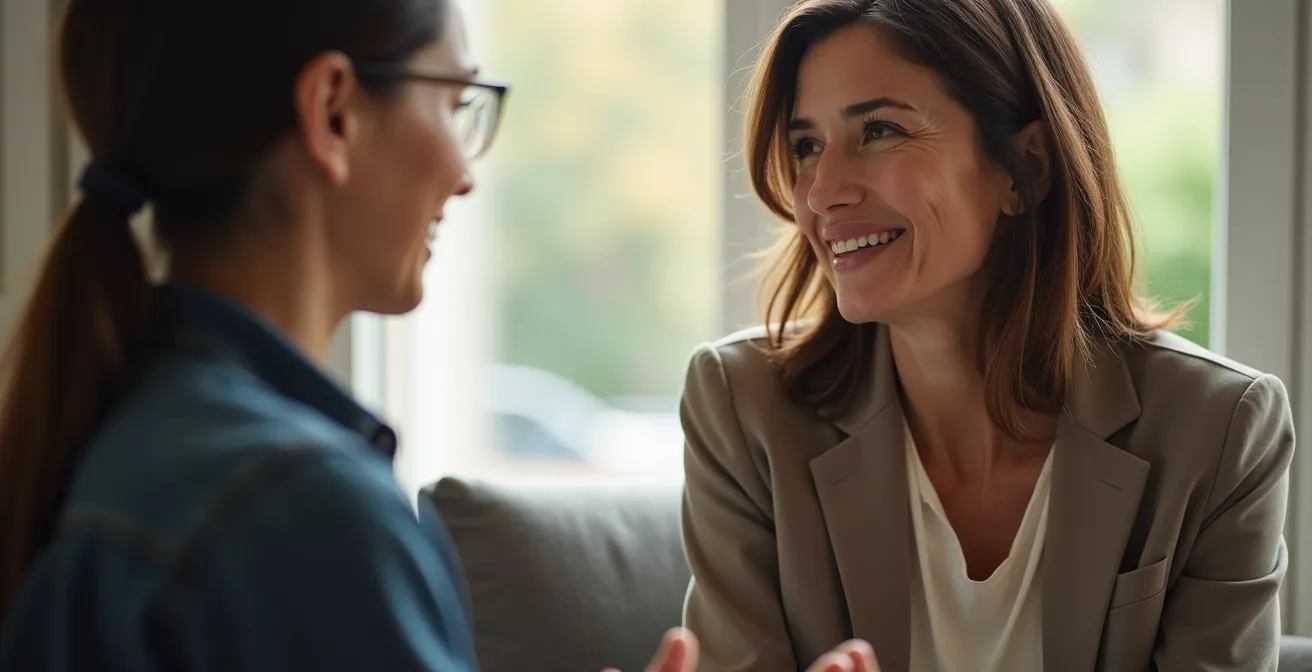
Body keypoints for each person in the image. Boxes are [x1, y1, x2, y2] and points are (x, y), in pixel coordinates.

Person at [0, 1, 886, 670]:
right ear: (335, 112)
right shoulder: (301, 514)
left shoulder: (126, 433)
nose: (465, 173)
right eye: (459, 101)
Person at [679, 0, 1294, 671]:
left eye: (879, 130)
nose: (822, 191)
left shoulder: (1220, 430)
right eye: (806, 146)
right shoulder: (742, 406)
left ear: (1025, 167)